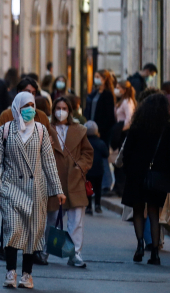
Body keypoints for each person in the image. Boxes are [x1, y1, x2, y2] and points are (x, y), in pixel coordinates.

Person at [0, 92, 65, 289]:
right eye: (25, 105)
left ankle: (27, 274)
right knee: (13, 229)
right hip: (10, 187)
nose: (30, 109)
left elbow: (49, 162)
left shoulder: (40, 131)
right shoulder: (5, 130)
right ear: (17, 107)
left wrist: (58, 190)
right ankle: (11, 271)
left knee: (32, 233)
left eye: (32, 105)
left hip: (35, 189)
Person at [121, 93, 170, 266]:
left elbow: (127, 152)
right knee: (154, 213)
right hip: (158, 176)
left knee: (138, 211)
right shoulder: (168, 128)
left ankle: (139, 244)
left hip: (137, 175)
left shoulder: (137, 125)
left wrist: (128, 171)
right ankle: (155, 252)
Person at [46, 97, 93, 268]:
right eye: (58, 107)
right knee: (52, 218)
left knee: (76, 220)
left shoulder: (79, 130)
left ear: (70, 111)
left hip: (75, 180)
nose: (61, 111)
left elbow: (88, 153)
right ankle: (47, 250)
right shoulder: (47, 129)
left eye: (64, 107)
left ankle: (75, 254)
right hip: (54, 178)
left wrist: (80, 167)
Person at [85, 121, 108, 214]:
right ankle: (98, 205)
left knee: (88, 187)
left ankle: (89, 206)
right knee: (98, 188)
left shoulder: (85, 142)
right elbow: (106, 154)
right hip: (99, 169)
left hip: (88, 169)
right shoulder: (101, 142)